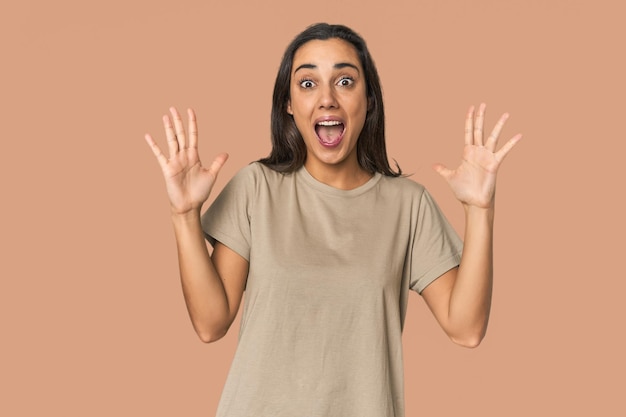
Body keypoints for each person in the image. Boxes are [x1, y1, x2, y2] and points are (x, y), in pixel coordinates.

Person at [144, 23, 521, 417]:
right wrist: (184, 214)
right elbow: (210, 323)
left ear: (369, 99)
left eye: (344, 81)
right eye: (307, 83)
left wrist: (480, 210)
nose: (327, 99)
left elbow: (467, 328)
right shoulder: (257, 188)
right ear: (288, 102)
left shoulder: (407, 205)